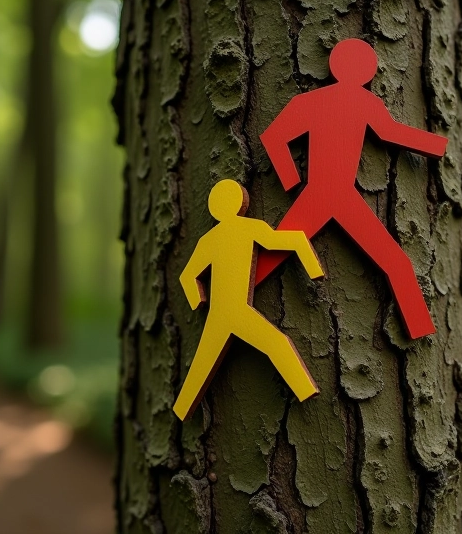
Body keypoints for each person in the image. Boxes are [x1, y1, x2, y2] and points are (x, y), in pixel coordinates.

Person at [255, 38, 448, 339]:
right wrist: (434, 144)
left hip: (330, 195)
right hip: (327, 194)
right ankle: (419, 324)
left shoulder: (315, 101)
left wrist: (292, 178)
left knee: (275, 251)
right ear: (366, 72)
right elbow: (392, 133)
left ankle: (228, 292)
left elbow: (274, 137)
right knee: (395, 261)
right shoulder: (358, 102)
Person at [174, 179, 324, 421]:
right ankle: (305, 389)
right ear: (238, 203)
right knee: (277, 344)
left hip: (221, 313)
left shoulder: (209, 240)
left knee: (203, 366)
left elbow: (188, 277)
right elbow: (285, 241)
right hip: (234, 311)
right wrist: (309, 261)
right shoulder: (248, 228)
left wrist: (199, 299)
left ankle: (181, 410)